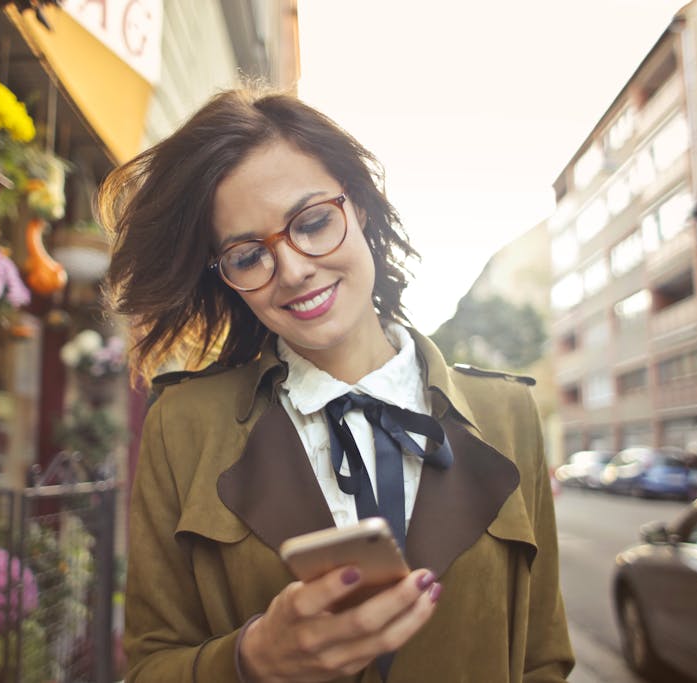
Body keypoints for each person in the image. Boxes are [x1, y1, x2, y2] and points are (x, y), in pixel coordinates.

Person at [101, 88, 574, 682]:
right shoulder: (183, 424)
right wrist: (252, 659)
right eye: (248, 256)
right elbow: (149, 666)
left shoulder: (509, 413)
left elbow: (543, 659)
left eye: (314, 222)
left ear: (362, 209)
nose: (294, 269)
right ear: (227, 279)